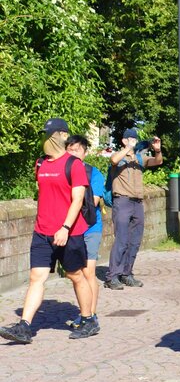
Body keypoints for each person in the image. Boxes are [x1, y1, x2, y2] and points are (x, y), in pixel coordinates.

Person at [0, 119, 96, 344]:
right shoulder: (40, 164)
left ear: (62, 135)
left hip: (69, 233)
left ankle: (88, 319)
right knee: (36, 277)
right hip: (42, 231)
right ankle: (24, 326)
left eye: (49, 134)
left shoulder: (74, 164)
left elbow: (77, 199)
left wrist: (65, 227)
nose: (45, 138)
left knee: (76, 275)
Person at [105, 127, 164, 290]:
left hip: (137, 203)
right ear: (124, 141)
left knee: (134, 241)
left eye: (134, 139)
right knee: (121, 240)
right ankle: (112, 276)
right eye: (130, 139)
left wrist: (157, 150)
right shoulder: (119, 156)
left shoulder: (139, 158)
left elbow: (158, 161)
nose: (133, 141)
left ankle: (127, 274)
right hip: (122, 201)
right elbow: (113, 160)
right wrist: (128, 148)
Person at [65, 134, 105, 333]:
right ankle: (85, 312)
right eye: (69, 150)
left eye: (77, 150)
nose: (73, 153)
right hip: (70, 229)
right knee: (75, 274)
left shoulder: (94, 173)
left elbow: (93, 202)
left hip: (89, 228)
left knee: (88, 272)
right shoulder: (63, 171)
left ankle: (91, 315)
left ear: (85, 153)